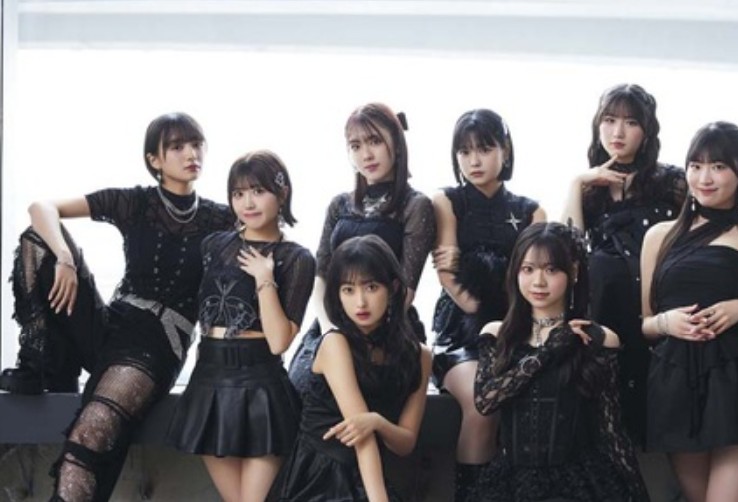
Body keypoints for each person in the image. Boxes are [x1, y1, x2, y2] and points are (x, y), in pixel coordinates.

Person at [0, 112, 235, 500]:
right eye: (177, 146)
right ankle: (37, 364)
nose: (191, 153)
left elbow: (265, 240)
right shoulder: (135, 202)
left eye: (196, 144)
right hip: (111, 325)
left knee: (92, 429)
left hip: (157, 344)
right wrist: (65, 258)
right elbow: (42, 208)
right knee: (36, 240)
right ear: (154, 159)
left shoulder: (220, 219)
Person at [640, 121, 738, 502]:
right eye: (696, 165)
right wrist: (666, 322)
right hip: (677, 384)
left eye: (718, 166)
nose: (704, 178)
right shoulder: (659, 236)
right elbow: (646, 324)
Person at [165, 150, 315, 502]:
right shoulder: (213, 246)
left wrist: (265, 279)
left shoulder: (297, 258)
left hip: (261, 385)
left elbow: (279, 342)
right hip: (209, 383)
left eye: (258, 191)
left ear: (282, 193)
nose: (247, 202)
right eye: (238, 193)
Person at [471, 222, 649, 502]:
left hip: (579, 482)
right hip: (510, 482)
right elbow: (485, 401)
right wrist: (549, 350)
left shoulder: (599, 338)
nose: (538, 282)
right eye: (528, 269)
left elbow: (611, 430)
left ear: (574, 271)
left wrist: (639, 494)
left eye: (551, 269)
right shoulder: (497, 334)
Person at [430, 108, 546, 499]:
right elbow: (447, 275)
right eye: (464, 151)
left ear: (505, 151)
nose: (474, 160)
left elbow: (536, 281)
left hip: (517, 329)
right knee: (483, 404)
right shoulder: (447, 201)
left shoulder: (531, 211)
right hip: (460, 332)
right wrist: (480, 315)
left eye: (484, 149)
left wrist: (512, 326)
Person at [561, 83, 686, 445]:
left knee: (655, 424)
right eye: (609, 120)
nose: (617, 132)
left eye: (631, 122)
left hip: (656, 318)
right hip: (605, 317)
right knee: (602, 430)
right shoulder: (590, 188)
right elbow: (568, 251)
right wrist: (576, 184)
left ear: (646, 131)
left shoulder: (672, 182)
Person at [270, 235, 432, 502]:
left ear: (392, 288)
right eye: (348, 290)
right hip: (318, 477)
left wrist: (377, 422)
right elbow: (362, 439)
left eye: (371, 287)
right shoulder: (335, 343)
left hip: (366, 475)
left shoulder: (421, 356)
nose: (360, 303)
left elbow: (405, 443)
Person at [289, 102, 434, 381]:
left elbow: (406, 287)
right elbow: (321, 275)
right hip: (334, 323)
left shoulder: (415, 205)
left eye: (375, 141)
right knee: (305, 383)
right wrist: (330, 329)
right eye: (355, 146)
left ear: (397, 143)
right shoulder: (339, 205)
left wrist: (360, 336)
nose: (366, 154)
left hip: (388, 328)